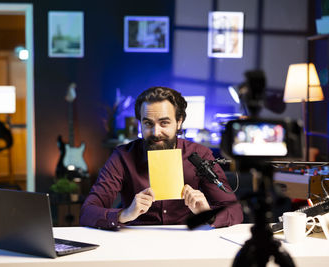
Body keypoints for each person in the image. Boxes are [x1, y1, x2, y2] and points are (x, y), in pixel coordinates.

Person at [80, 86, 243, 230]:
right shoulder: (123, 156)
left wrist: (208, 214)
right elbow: (88, 211)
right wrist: (125, 214)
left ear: (179, 122)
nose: (156, 132)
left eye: (164, 123)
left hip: (187, 239)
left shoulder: (200, 155)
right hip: (134, 241)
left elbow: (235, 211)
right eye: (148, 124)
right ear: (140, 123)